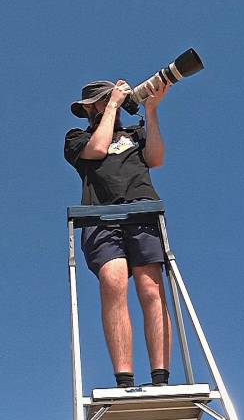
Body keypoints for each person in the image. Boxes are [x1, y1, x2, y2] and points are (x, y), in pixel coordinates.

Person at [63, 77, 172, 388]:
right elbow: (96, 150)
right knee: (113, 283)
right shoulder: (75, 138)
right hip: (101, 216)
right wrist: (112, 104)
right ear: (92, 108)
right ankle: (124, 378)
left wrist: (151, 111)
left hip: (141, 210)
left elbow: (156, 159)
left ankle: (160, 377)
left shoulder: (135, 134)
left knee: (151, 288)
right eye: (101, 101)